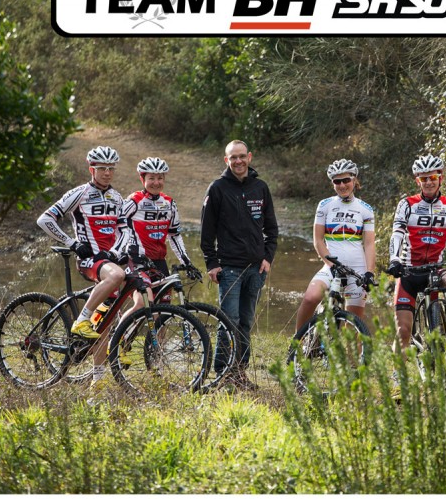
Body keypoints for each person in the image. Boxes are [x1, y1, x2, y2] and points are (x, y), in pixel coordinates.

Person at [36, 145, 127, 385]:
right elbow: (45, 219)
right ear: (91, 169)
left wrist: (115, 252)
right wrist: (72, 243)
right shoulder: (80, 193)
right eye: (102, 168)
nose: (107, 173)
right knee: (116, 276)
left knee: (106, 319)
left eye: (111, 168)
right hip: (88, 259)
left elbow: (125, 231)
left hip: (108, 259)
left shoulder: (118, 198)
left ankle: (97, 381)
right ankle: (81, 320)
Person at [200, 140, 278, 390]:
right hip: (229, 269)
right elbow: (206, 233)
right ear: (226, 160)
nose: (238, 161)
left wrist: (267, 258)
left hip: (256, 269)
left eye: (242, 156)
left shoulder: (260, 187)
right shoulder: (217, 188)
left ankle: (239, 373)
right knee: (228, 320)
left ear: (249, 157)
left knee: (245, 321)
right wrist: (212, 263)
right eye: (233, 157)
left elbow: (272, 229)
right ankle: (223, 373)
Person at [387, 154, 446, 352]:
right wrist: (394, 259)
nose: (429, 182)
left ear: (440, 178)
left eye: (433, 177)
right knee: (403, 331)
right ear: (418, 181)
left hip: (435, 269)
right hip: (409, 270)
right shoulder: (407, 204)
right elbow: (397, 233)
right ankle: (398, 368)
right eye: (424, 178)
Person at [294, 159, 376, 331]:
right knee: (310, 298)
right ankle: (297, 343)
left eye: (346, 180)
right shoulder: (325, 205)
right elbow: (318, 241)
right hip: (331, 266)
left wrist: (369, 272)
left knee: (353, 325)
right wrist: (332, 265)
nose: (342, 185)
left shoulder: (366, 209)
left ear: (354, 179)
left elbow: (369, 244)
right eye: (337, 181)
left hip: (357, 268)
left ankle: (349, 350)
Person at [118, 157, 200, 311]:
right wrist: (122, 251)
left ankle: (156, 329)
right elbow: (116, 225)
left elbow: (174, 235)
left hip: (159, 262)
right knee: (144, 303)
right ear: (142, 179)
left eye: (160, 178)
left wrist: (186, 262)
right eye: (151, 178)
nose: (156, 182)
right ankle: (121, 328)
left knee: (163, 310)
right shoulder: (134, 201)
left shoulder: (169, 203)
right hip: (137, 262)